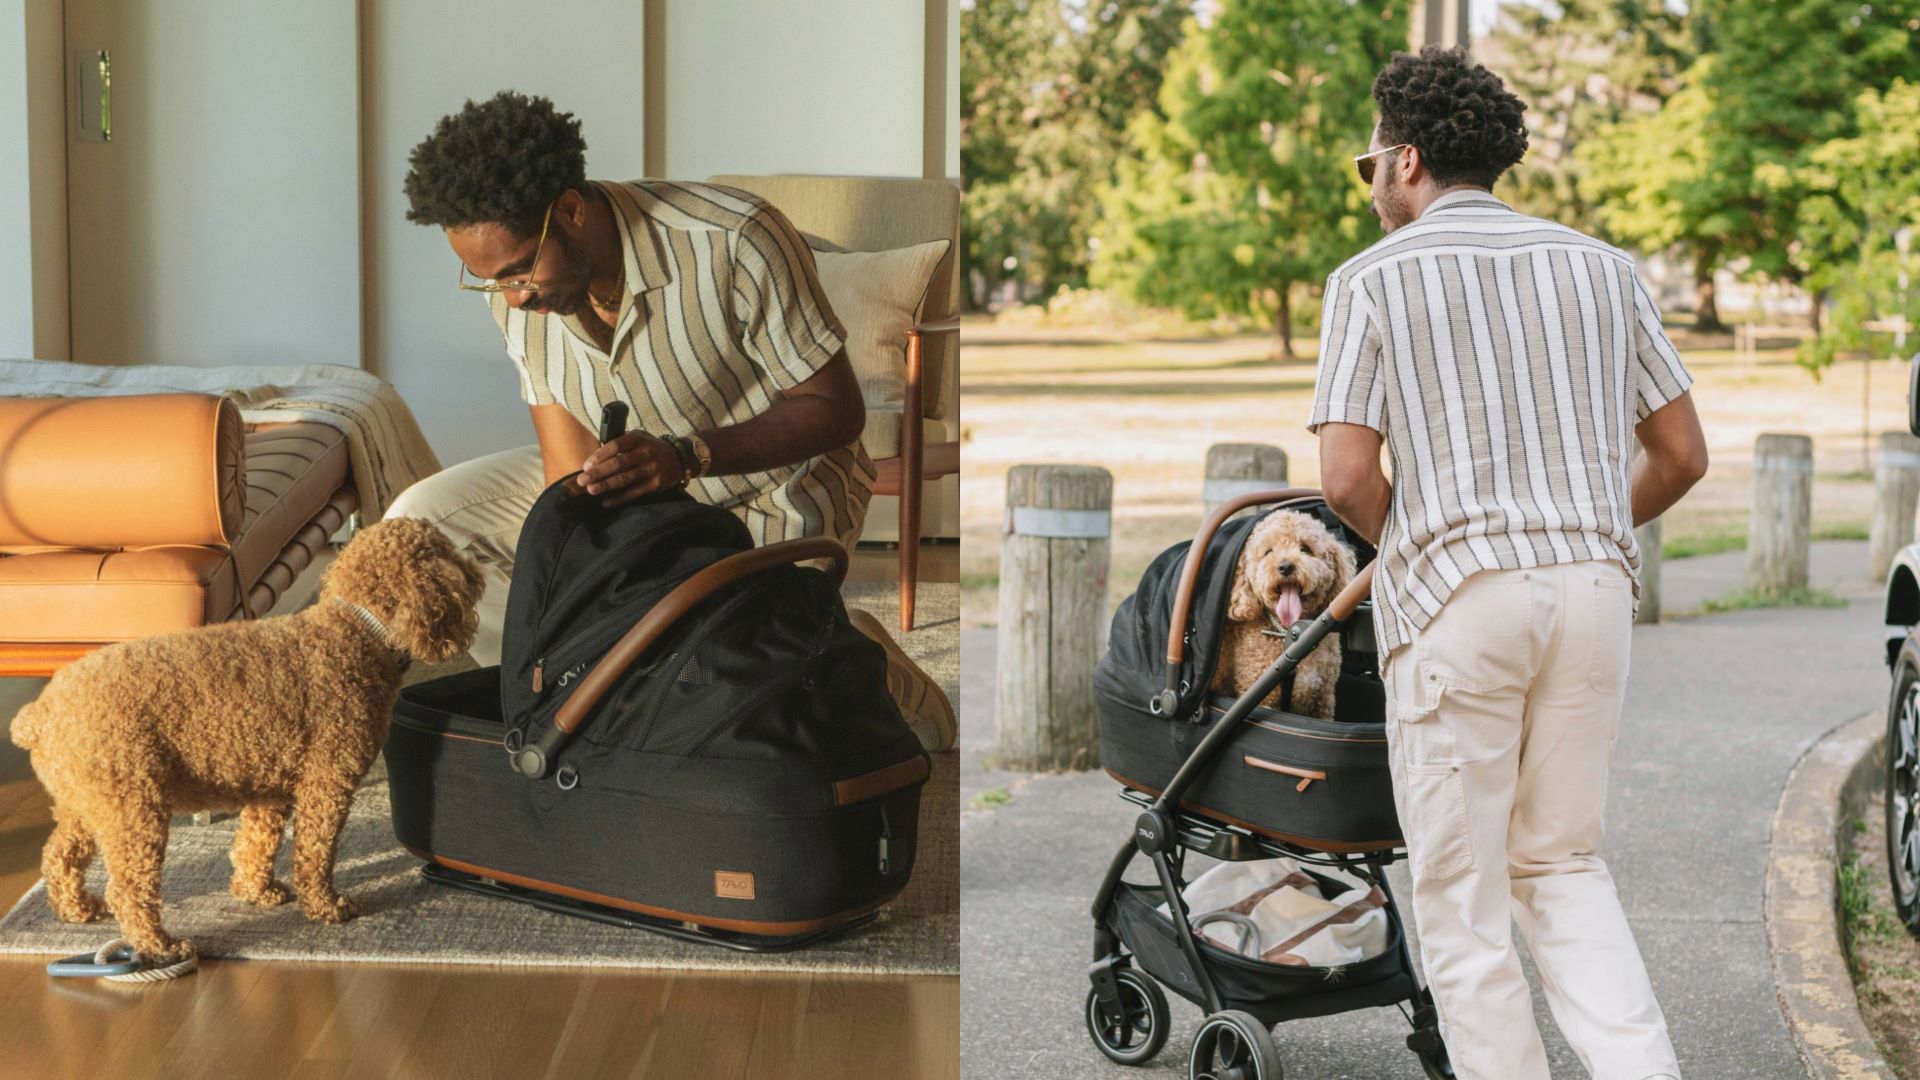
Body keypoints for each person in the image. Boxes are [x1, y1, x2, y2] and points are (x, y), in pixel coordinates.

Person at [1309, 46, 1708, 1080]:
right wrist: (1575, 523)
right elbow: (1682, 456)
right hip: (1592, 595)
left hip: (1458, 602)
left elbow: (1348, 479)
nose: (1370, 187)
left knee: (1464, 896)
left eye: (1368, 165)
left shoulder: (1370, 281)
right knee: (1563, 864)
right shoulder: (1603, 269)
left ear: (1404, 162)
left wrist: (1433, 533)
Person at [385, 90, 954, 751]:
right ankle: (577, 707)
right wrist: (587, 580)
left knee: (723, 678)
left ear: (570, 210)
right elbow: (564, 467)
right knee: (419, 535)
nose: (514, 297)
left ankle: (872, 672)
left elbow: (836, 411)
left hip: (772, 484)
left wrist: (686, 458)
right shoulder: (521, 299)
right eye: (491, 282)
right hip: (634, 488)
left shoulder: (734, 239)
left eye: (518, 272)